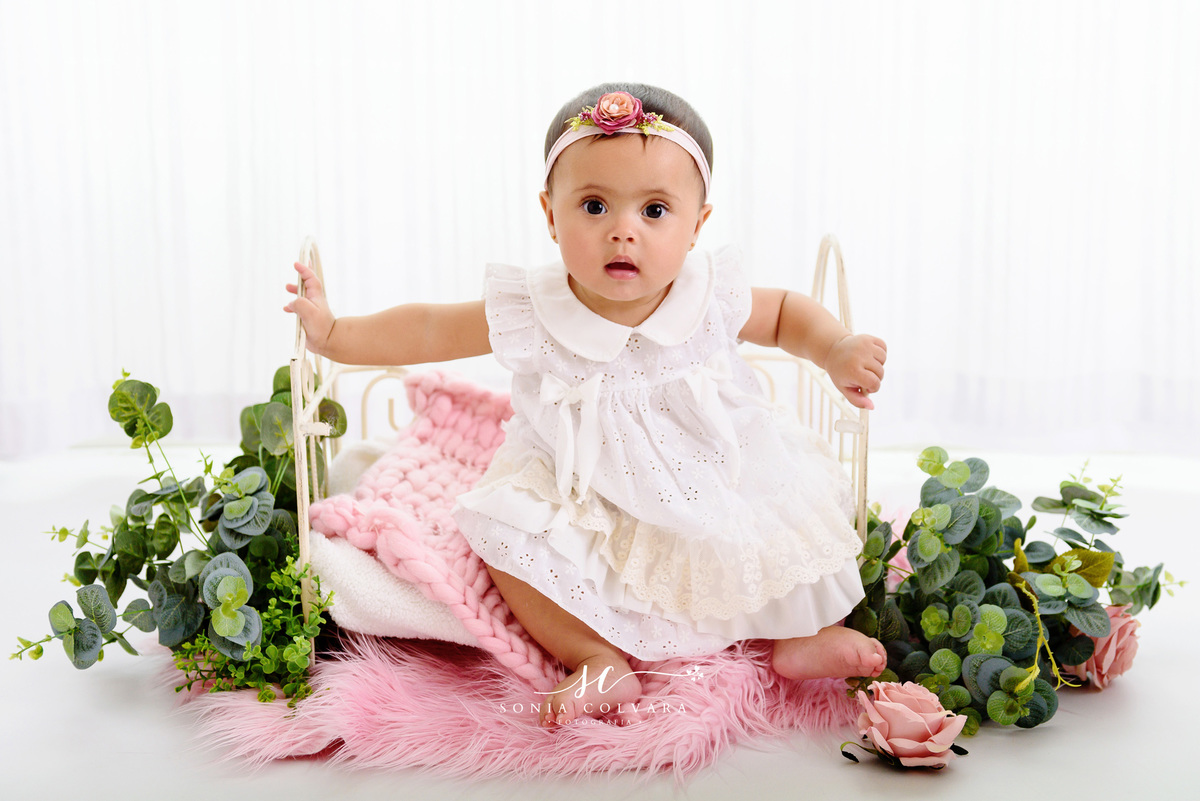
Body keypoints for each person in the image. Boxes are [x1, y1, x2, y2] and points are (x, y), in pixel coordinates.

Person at [285, 82, 888, 728]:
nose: (622, 232)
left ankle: (802, 632)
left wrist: (834, 347)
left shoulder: (709, 293)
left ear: (697, 224)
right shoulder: (538, 308)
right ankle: (596, 656)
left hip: (708, 474)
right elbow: (432, 327)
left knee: (780, 512)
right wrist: (336, 335)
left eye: (655, 211)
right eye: (594, 205)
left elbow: (787, 312)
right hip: (583, 492)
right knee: (501, 528)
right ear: (550, 214)